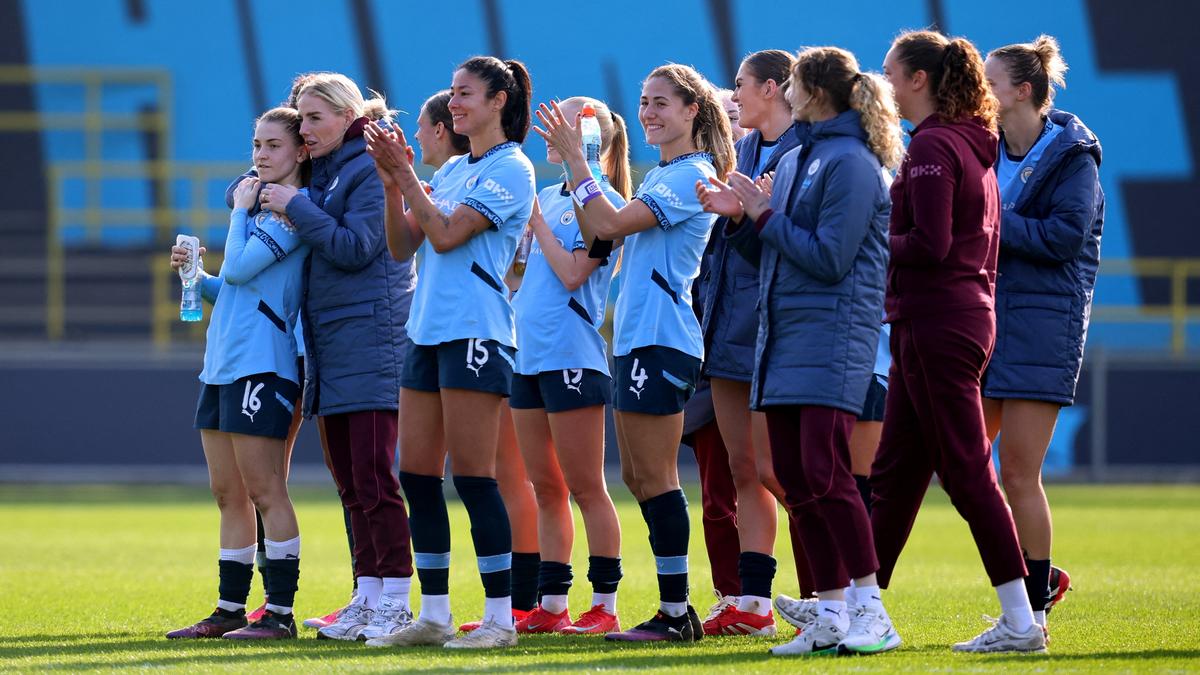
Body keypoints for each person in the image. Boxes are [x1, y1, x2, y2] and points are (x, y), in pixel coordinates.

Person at [702, 45, 904, 656]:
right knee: (793, 474)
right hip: (782, 338)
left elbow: (829, 257)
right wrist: (742, 220)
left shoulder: (854, 163)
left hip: (832, 337)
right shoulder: (797, 159)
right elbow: (769, 253)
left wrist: (763, 215)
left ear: (812, 92)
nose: (782, 90)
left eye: (791, 83)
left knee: (826, 472)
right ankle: (831, 611)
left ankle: (872, 609)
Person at [535, 62, 734, 642]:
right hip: (640, 339)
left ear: (693, 110)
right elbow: (604, 227)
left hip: (662, 339)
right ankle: (676, 610)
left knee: (655, 476)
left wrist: (578, 162)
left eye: (661, 103)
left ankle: (676, 612)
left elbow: (610, 225)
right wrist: (577, 172)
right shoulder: (666, 173)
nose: (648, 112)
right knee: (643, 479)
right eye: (644, 102)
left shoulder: (686, 174)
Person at [873, 30, 1046, 653]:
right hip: (948, 318)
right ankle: (853, 605)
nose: (883, 82)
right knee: (895, 473)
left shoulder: (932, 147)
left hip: (938, 320)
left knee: (969, 474)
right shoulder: (962, 143)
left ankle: (1023, 622)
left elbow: (932, 245)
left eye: (890, 72)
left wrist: (869, 244)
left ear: (919, 80)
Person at [364, 55, 537, 650]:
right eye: (453, 93)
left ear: (498, 101)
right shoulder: (458, 167)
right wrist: (393, 186)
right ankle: (435, 614)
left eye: (465, 94)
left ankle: (501, 620)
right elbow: (400, 244)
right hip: (429, 331)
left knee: (473, 477)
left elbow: (445, 234)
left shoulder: (513, 167)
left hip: (475, 332)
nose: (454, 102)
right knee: (414, 473)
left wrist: (408, 179)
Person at [256, 73, 417, 644]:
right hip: (331, 346)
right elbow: (262, 172)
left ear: (349, 115)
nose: (305, 128)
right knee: (351, 484)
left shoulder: (370, 166)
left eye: (315, 117)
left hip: (371, 341)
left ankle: (396, 598)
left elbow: (356, 247)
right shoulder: (328, 170)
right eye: (300, 118)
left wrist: (297, 204)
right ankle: (367, 595)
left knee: (375, 480)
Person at [165, 106, 311, 640]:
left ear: (300, 151)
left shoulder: (295, 210)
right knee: (227, 493)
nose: (260, 156)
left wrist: (238, 212)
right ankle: (229, 608)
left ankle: (279, 613)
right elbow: (228, 288)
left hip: (262, 366)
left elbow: (241, 268)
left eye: (272, 146)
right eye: (256, 145)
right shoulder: (256, 212)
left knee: (265, 489)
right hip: (223, 363)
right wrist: (192, 273)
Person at [982, 34, 1102, 631]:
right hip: (985, 324)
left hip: (1044, 329)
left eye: (990, 82)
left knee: (1017, 473)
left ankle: (1030, 608)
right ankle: (1037, 582)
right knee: (964, 467)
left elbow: (1065, 239)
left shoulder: (1072, 155)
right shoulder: (985, 146)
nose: (980, 92)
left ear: (1022, 91)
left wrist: (989, 223)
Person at [694, 49, 807, 638]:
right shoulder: (751, 151)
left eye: (740, 85)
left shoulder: (803, 153)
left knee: (776, 470)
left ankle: (835, 587)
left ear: (771, 87)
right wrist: (737, 218)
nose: (732, 96)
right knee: (745, 468)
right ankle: (755, 604)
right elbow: (737, 246)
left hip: (774, 330)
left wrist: (748, 216)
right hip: (730, 327)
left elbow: (793, 250)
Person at [507, 95, 630, 635]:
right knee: (546, 487)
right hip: (528, 355)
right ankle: (552, 605)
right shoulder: (542, 193)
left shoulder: (607, 200)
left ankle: (604, 603)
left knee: (586, 486)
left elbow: (576, 273)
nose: (557, 129)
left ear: (598, 138)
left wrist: (539, 223)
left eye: (577, 121)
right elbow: (523, 277)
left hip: (572, 356)